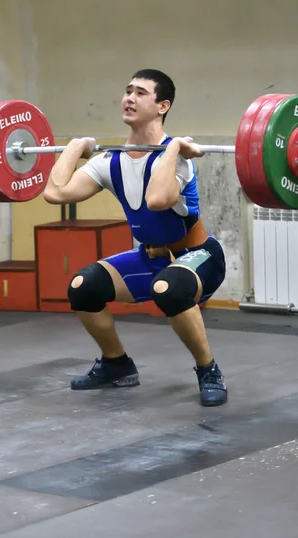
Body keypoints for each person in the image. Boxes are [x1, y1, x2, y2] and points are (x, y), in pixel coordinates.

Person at [43, 69, 227, 406]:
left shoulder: (179, 161)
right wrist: (76, 146)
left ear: (162, 106)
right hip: (150, 258)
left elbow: (157, 199)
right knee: (83, 287)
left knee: (169, 289)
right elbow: (55, 193)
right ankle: (117, 365)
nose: (129, 97)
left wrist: (172, 148)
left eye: (141, 92)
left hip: (199, 257)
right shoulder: (109, 161)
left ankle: (208, 370)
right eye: (127, 91)